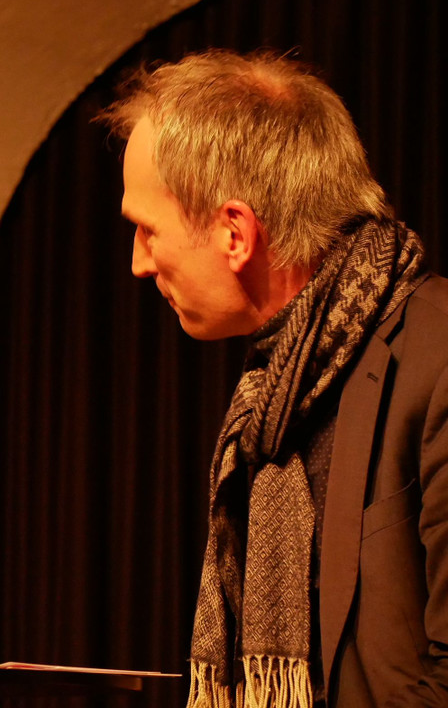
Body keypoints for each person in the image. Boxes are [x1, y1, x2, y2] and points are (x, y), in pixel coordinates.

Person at [99, 50, 448, 707]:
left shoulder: (438, 362)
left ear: (235, 232)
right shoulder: (275, 388)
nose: (139, 263)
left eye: (147, 230)